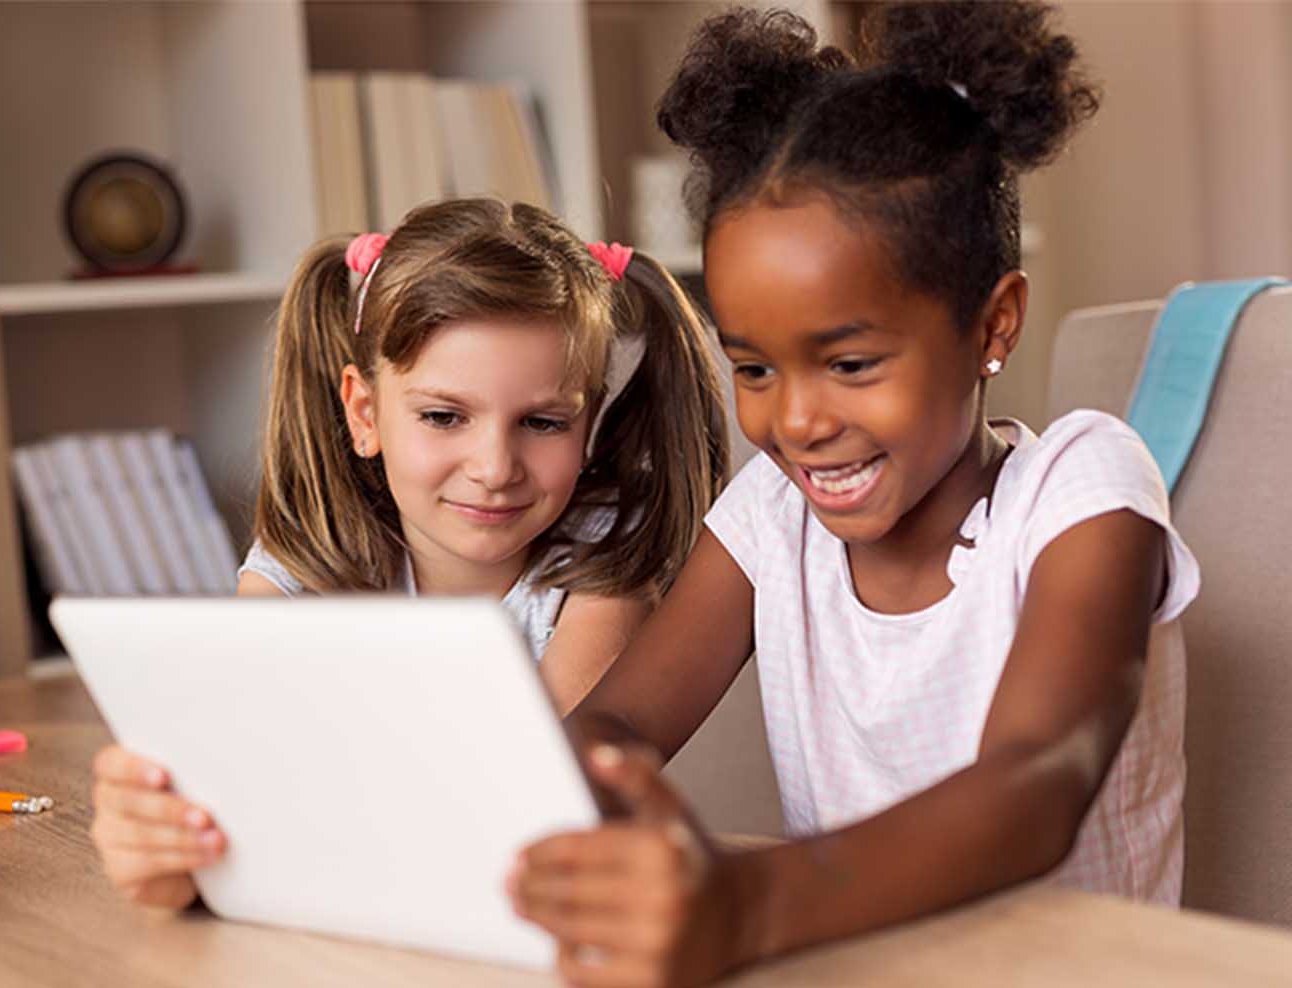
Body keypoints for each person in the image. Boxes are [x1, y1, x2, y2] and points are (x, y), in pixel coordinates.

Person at [508, 4, 1201, 986]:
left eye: (850, 361)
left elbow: (1035, 786)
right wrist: (571, 795)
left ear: (992, 324)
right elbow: (616, 727)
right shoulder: (769, 520)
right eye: (752, 368)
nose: (795, 420)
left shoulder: (1083, 492)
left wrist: (744, 900)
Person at [90, 197, 730, 909]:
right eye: (443, 416)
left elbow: (526, 805)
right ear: (364, 412)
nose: (494, 466)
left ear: (589, 423)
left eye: (543, 422)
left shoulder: (604, 557)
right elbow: (224, 807)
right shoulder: (302, 563)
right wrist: (165, 850)